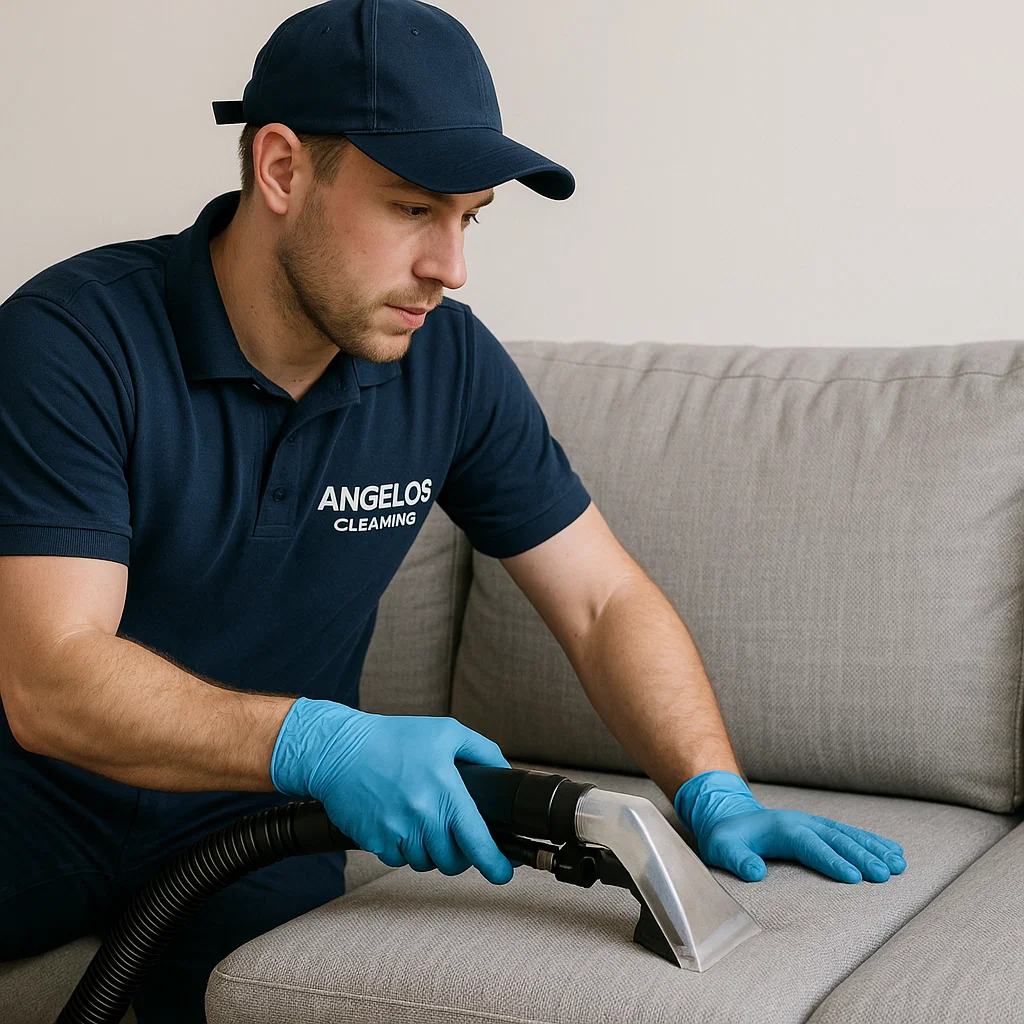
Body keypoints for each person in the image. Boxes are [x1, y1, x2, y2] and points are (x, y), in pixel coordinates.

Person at [0, 1, 906, 1020]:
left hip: (251, 830)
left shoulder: (450, 366)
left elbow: (600, 599)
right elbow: (50, 678)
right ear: (282, 169)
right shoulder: (72, 343)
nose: (451, 266)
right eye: (411, 209)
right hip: (34, 798)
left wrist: (709, 788)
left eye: (469, 216)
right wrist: (325, 744)